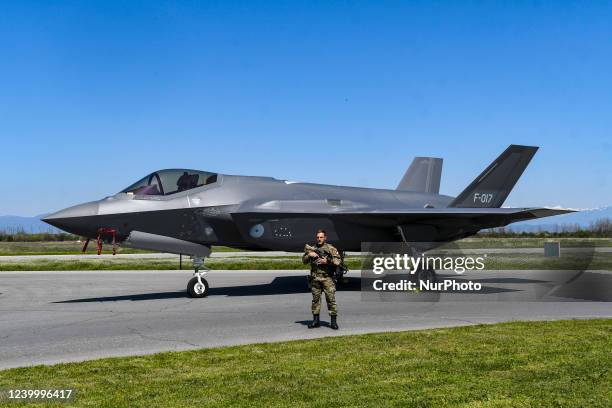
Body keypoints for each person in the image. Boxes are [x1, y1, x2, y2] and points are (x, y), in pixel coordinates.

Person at [302, 229, 341, 329]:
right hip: (315, 279)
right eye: (318, 237)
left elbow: (338, 261)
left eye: (321, 237)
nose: (319, 239)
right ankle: (316, 321)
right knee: (315, 300)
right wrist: (308, 255)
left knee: (331, 300)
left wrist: (327, 261)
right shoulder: (312, 248)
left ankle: (333, 322)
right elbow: (304, 261)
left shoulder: (330, 248)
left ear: (325, 238)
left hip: (327, 278)